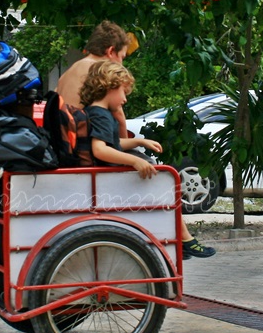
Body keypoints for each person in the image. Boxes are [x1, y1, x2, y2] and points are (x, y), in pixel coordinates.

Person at [61, 27, 215, 259]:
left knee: (148, 167)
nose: (122, 63)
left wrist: (135, 142)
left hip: (73, 150)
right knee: (159, 176)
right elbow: (113, 129)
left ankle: (177, 237)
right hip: (94, 160)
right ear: (111, 51)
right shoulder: (99, 73)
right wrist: (129, 147)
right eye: (122, 57)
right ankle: (181, 238)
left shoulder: (70, 71)